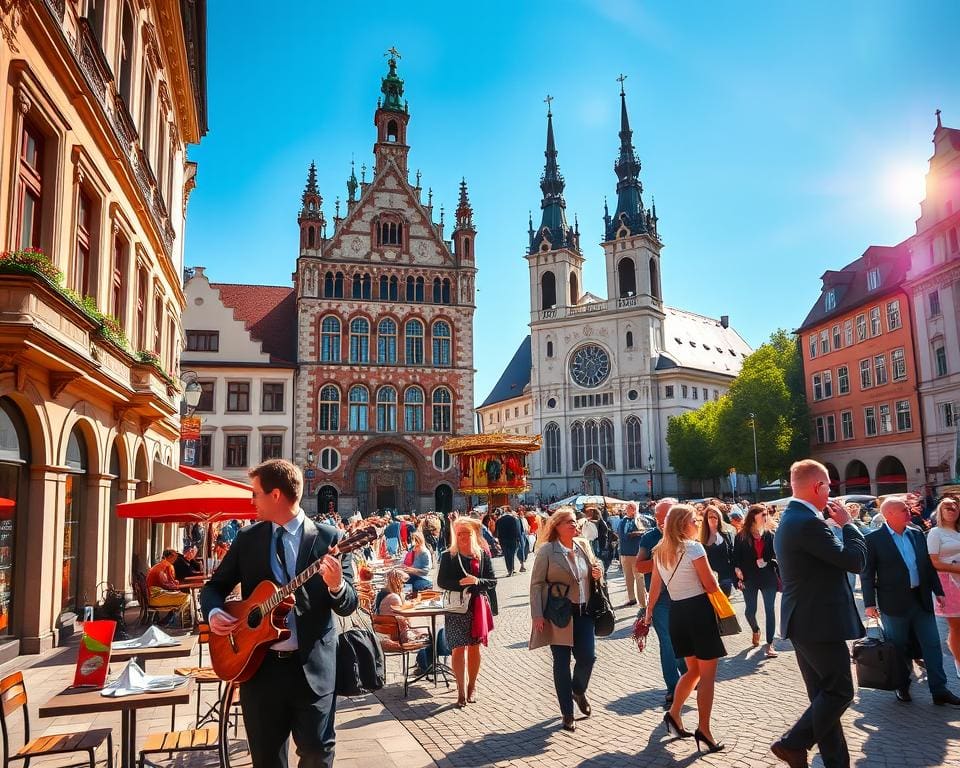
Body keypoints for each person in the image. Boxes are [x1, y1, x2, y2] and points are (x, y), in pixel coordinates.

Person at [201, 459, 357, 768]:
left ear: (275, 496)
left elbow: (348, 604)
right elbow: (214, 586)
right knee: (266, 760)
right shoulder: (248, 540)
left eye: (255, 493)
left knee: (317, 753)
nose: (251, 500)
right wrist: (215, 611)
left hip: (311, 668)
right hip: (259, 670)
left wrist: (337, 585)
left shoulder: (330, 539)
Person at [771, 459, 866, 768]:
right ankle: (792, 743)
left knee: (822, 699)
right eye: (829, 486)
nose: (831, 492)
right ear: (817, 487)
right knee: (839, 692)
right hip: (818, 623)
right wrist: (849, 525)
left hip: (805, 621)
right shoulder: (807, 522)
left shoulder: (793, 518)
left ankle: (835, 762)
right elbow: (854, 561)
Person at [861, 496, 960, 705]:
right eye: (903, 509)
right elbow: (867, 574)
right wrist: (869, 604)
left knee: (932, 644)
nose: (908, 511)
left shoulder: (916, 534)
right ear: (889, 514)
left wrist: (938, 591)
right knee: (899, 647)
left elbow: (927, 566)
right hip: (893, 604)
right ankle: (902, 686)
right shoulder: (874, 539)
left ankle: (939, 690)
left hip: (920, 599)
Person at [643, 503, 725, 754]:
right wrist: (724, 601)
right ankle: (704, 730)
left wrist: (648, 613)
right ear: (682, 524)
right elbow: (710, 584)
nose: (697, 525)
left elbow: (655, 587)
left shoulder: (660, 550)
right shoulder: (693, 548)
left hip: (677, 613)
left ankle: (674, 715)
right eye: (694, 521)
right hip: (698, 611)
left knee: (692, 671)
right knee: (707, 676)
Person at [529, 507, 603, 733]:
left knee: (588, 658)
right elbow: (537, 584)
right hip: (559, 613)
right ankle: (567, 713)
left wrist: (598, 572)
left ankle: (578, 691)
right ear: (557, 526)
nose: (575, 525)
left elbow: (595, 569)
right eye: (569, 522)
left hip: (584, 611)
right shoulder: (547, 551)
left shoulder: (583, 545)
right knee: (561, 664)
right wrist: (537, 614)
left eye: (575, 522)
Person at [436, 517, 498, 707]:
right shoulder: (449, 556)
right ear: (456, 535)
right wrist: (459, 585)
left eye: (467, 533)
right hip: (456, 607)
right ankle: (460, 690)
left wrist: (476, 582)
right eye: (460, 533)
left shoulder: (481, 555)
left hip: (476, 606)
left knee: (474, 648)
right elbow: (441, 582)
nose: (463, 536)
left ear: (473, 534)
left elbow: (492, 581)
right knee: (457, 649)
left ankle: (472, 686)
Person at [636, 498, 687, 708]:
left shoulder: (686, 537)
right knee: (667, 643)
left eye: (664, 517)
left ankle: (688, 674)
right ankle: (673, 687)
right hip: (660, 600)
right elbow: (639, 566)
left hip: (684, 597)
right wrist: (661, 559)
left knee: (683, 640)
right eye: (656, 517)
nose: (659, 522)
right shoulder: (649, 538)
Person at [733, 504, 780, 658]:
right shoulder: (741, 536)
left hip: (768, 577)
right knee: (750, 611)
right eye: (763, 515)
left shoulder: (770, 534)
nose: (766, 517)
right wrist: (737, 569)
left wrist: (768, 561)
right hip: (749, 577)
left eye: (767, 514)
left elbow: (775, 555)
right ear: (753, 516)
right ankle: (755, 630)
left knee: (769, 609)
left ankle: (769, 643)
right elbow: (735, 559)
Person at [928, 496, 960, 679]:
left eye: (955, 506)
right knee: (956, 626)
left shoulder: (958, 532)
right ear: (940, 510)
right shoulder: (935, 533)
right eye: (947, 506)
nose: (952, 509)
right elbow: (934, 562)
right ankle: (958, 663)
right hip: (948, 582)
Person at [146, 549, 191, 625]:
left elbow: (166, 582)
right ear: (170, 556)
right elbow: (169, 585)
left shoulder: (160, 565)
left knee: (180, 595)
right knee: (187, 597)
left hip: (152, 595)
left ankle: (170, 617)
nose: (176, 559)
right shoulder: (168, 566)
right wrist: (179, 585)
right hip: (156, 596)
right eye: (175, 557)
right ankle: (184, 621)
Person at [699, 505, 736, 597]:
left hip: (726, 576)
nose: (712, 519)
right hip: (710, 579)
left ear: (719, 518)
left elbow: (732, 554)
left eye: (715, 517)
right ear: (706, 519)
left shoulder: (727, 535)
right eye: (710, 517)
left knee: (725, 606)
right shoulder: (701, 538)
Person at [617, 503, 646, 609]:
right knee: (628, 577)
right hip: (625, 552)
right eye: (628, 508)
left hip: (636, 552)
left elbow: (646, 531)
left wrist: (637, 533)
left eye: (631, 508)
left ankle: (643, 603)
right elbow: (621, 535)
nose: (629, 510)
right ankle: (631, 598)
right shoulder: (623, 521)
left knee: (639, 578)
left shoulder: (640, 519)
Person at [402, 531, 433, 596]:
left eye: (415, 540)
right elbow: (407, 562)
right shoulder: (413, 549)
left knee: (413, 584)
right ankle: (407, 598)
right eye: (412, 539)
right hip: (412, 576)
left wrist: (413, 570)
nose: (414, 542)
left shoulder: (424, 553)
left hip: (423, 579)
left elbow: (426, 571)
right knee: (403, 583)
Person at [495, 507, 524, 575]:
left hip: (503, 540)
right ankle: (511, 569)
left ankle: (509, 570)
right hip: (513, 539)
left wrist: (497, 539)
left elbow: (496, 531)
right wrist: (519, 539)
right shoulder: (514, 519)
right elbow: (518, 530)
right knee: (511, 554)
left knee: (506, 555)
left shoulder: (499, 520)